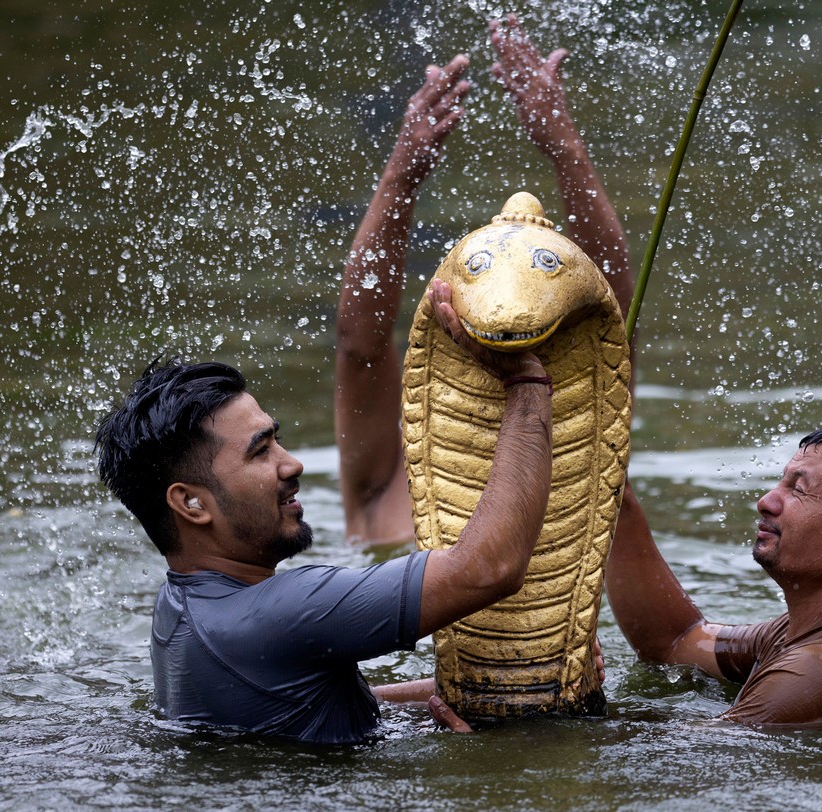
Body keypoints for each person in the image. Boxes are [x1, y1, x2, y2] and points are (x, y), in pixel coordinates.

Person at [94, 279, 554, 744]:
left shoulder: (181, 606)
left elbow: (306, 698)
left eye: (277, 439)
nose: (291, 463)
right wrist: (526, 382)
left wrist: (507, 687)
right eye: (261, 452)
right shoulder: (285, 610)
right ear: (190, 503)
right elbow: (489, 568)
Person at [336, 14, 634, 547]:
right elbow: (360, 346)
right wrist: (400, 175)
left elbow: (612, 310)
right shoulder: (390, 480)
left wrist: (567, 151)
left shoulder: (587, 456)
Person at [605, 423, 822, 726]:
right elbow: (674, 641)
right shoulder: (819, 630)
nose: (766, 501)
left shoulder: (821, 668)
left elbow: (690, 756)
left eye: (799, 490)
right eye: (781, 481)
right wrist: (615, 494)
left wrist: (566, 684)